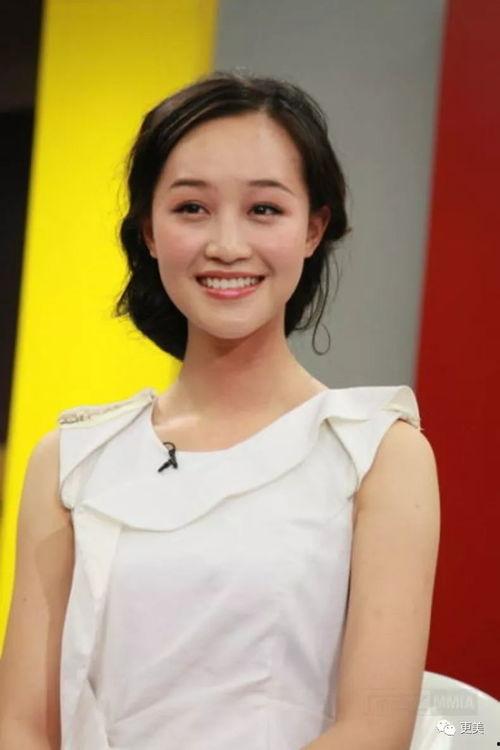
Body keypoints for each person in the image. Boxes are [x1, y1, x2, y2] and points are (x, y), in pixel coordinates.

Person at [0, 71, 441, 750]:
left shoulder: (377, 452)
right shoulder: (71, 461)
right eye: (191, 208)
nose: (227, 244)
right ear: (148, 230)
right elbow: (23, 725)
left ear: (314, 228)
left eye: (264, 209)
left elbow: (375, 729)